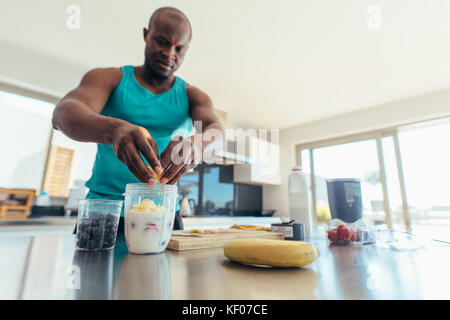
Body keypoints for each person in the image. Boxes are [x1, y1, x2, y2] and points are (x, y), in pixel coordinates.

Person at [52, 7, 224, 232]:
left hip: (163, 213)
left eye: (179, 48)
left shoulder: (193, 95)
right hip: (104, 210)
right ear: (146, 35)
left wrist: (197, 145)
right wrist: (113, 129)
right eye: (162, 42)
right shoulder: (110, 78)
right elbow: (63, 114)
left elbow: (217, 131)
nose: (170, 53)